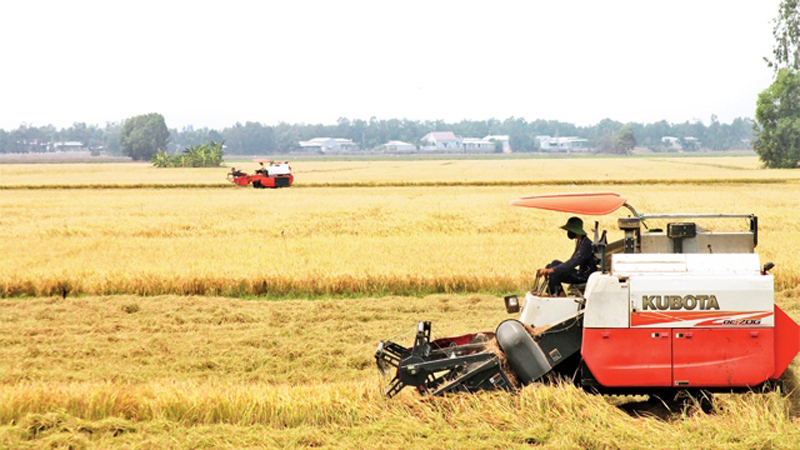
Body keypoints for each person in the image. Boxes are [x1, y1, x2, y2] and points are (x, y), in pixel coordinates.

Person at [537, 216, 598, 296]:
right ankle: (553, 293)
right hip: (582, 273)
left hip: (585, 276)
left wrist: (552, 270)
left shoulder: (586, 245)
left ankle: (559, 295)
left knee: (554, 272)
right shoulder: (580, 241)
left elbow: (572, 263)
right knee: (553, 264)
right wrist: (551, 268)